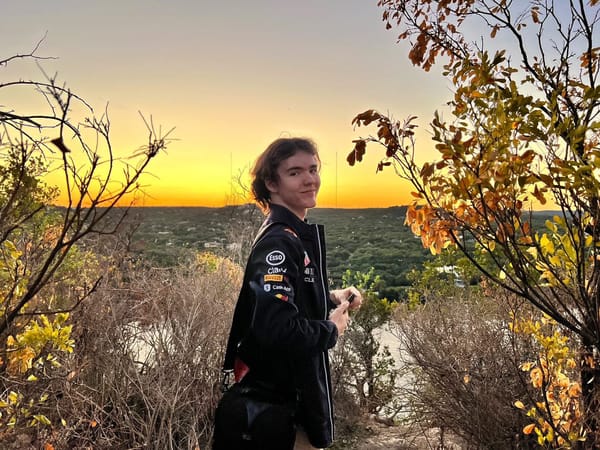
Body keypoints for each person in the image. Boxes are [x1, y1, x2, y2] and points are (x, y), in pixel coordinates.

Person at [213, 137, 363, 450]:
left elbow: (284, 299)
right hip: (279, 410)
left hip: (288, 405)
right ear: (271, 183)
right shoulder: (278, 243)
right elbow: (277, 328)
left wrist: (331, 296)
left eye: (313, 169)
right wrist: (331, 329)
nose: (310, 179)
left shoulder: (291, 234)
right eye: (295, 172)